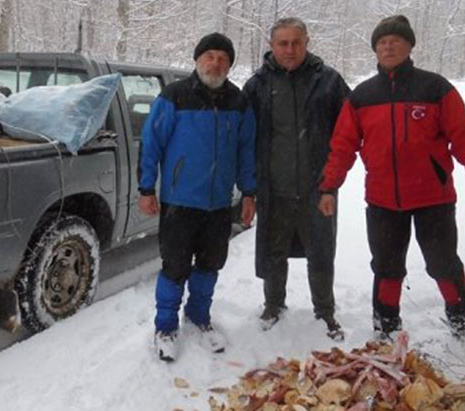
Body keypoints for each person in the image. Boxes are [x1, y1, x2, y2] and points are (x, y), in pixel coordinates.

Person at [317, 15, 465, 340]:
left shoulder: (435, 88)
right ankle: (386, 328)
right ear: (375, 50)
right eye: (382, 42)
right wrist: (329, 187)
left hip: (433, 197)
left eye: (395, 41)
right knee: (387, 267)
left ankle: (464, 322)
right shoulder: (362, 96)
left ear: (409, 46)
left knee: (443, 263)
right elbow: (343, 146)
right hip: (382, 200)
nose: (388, 46)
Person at [139, 32, 257, 362]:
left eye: (223, 58)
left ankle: (198, 316)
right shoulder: (174, 96)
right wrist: (146, 189)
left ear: (230, 65)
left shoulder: (239, 102)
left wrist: (249, 193)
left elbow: (247, 150)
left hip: (219, 204)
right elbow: (151, 144)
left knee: (210, 264)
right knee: (175, 267)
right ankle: (165, 326)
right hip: (180, 203)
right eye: (209, 56)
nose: (215, 63)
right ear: (197, 60)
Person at [242, 18, 350, 339]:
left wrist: (333, 179)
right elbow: (244, 137)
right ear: (272, 45)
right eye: (283, 43)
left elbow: (350, 130)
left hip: (319, 189)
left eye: (296, 43)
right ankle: (273, 305)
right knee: (274, 251)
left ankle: (325, 311)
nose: (290, 50)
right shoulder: (257, 85)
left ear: (306, 43)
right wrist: (249, 188)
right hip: (274, 188)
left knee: (321, 252)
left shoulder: (328, 81)